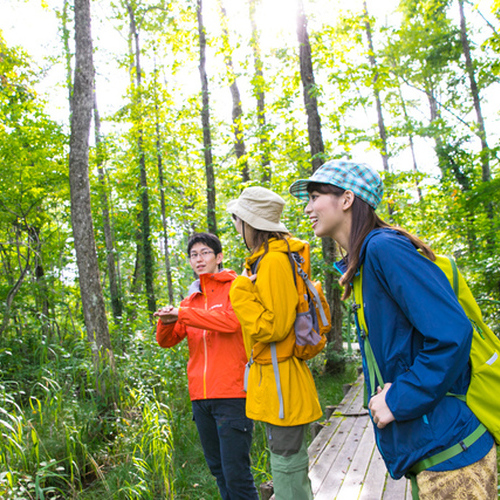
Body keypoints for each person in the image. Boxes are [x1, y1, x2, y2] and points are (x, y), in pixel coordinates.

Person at [289, 159, 497, 499]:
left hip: (451, 454)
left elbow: (452, 333)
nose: (308, 208)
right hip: (434, 452)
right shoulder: (366, 261)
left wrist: (399, 399)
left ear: (346, 199)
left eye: (314, 196)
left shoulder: (384, 248)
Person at [227, 186, 322, 500]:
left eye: (237, 219)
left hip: (283, 382)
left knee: (286, 461)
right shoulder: (264, 260)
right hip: (276, 380)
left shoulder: (273, 261)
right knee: (284, 457)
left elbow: (273, 327)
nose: (236, 226)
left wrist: (239, 291)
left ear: (249, 223)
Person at [154, 232, 258, 500]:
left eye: (205, 253)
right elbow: (167, 341)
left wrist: (184, 314)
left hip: (232, 394)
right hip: (200, 398)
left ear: (219, 257)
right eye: (193, 255)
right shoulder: (191, 300)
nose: (198, 259)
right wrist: (166, 320)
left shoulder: (237, 287)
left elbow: (230, 322)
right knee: (219, 470)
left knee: (237, 472)